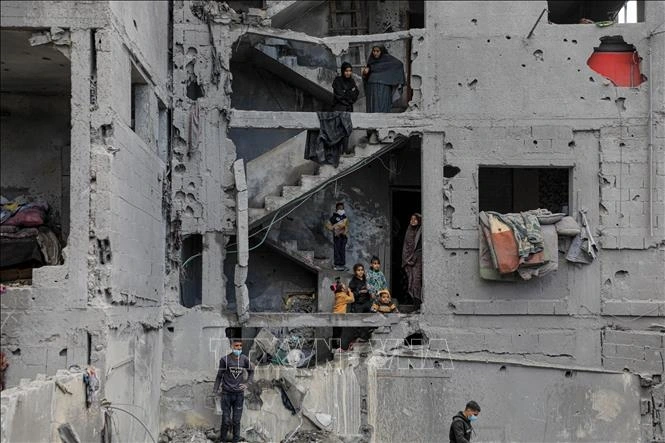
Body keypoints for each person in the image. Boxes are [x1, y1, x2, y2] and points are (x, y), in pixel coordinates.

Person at [213, 339, 255, 443]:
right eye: (236, 346)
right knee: (226, 420)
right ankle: (222, 440)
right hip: (226, 394)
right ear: (232, 346)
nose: (239, 348)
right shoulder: (225, 360)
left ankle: (235, 440)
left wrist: (247, 384)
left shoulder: (244, 359)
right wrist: (215, 390)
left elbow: (251, 372)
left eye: (240, 346)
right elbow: (219, 376)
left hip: (239, 395)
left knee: (236, 421)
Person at [362, 45, 406, 114]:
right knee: (372, 108)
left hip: (383, 88)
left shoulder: (388, 61)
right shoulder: (371, 61)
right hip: (372, 89)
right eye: (374, 51)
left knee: (383, 108)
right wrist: (365, 73)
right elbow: (366, 77)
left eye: (377, 51)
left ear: (382, 52)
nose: (375, 53)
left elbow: (399, 64)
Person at [402, 213, 423, 307]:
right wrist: (407, 259)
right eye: (411, 219)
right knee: (410, 280)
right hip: (408, 260)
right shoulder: (409, 231)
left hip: (417, 259)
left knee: (416, 281)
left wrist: (414, 257)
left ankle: (418, 303)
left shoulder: (421, 231)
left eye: (415, 219)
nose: (413, 221)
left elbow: (419, 247)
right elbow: (406, 246)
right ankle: (414, 303)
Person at [331, 279, 355, 351]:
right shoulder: (343, 296)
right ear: (342, 289)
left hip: (335, 314)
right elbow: (352, 300)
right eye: (344, 287)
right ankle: (336, 347)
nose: (346, 288)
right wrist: (350, 292)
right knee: (338, 332)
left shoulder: (337, 294)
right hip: (340, 315)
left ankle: (334, 347)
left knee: (335, 332)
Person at [325, 202, 349, 271]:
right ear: (336, 209)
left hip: (344, 237)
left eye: (342, 208)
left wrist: (345, 232)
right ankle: (337, 264)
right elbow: (327, 225)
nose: (341, 209)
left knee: (342, 250)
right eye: (339, 208)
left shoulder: (345, 218)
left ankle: (342, 264)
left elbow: (347, 227)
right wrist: (334, 229)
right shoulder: (334, 217)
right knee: (337, 250)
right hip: (337, 237)